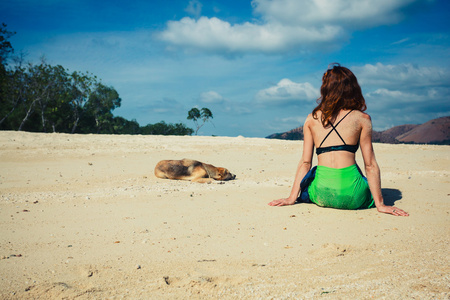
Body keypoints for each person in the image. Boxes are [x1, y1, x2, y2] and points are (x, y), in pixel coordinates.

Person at [268, 63, 409, 216]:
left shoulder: (311, 119)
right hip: (353, 197)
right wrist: (380, 204)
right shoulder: (362, 119)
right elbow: (370, 165)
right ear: (352, 88)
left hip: (322, 194)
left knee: (314, 173)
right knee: (361, 177)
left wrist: (291, 198)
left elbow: (305, 162)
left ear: (326, 89)